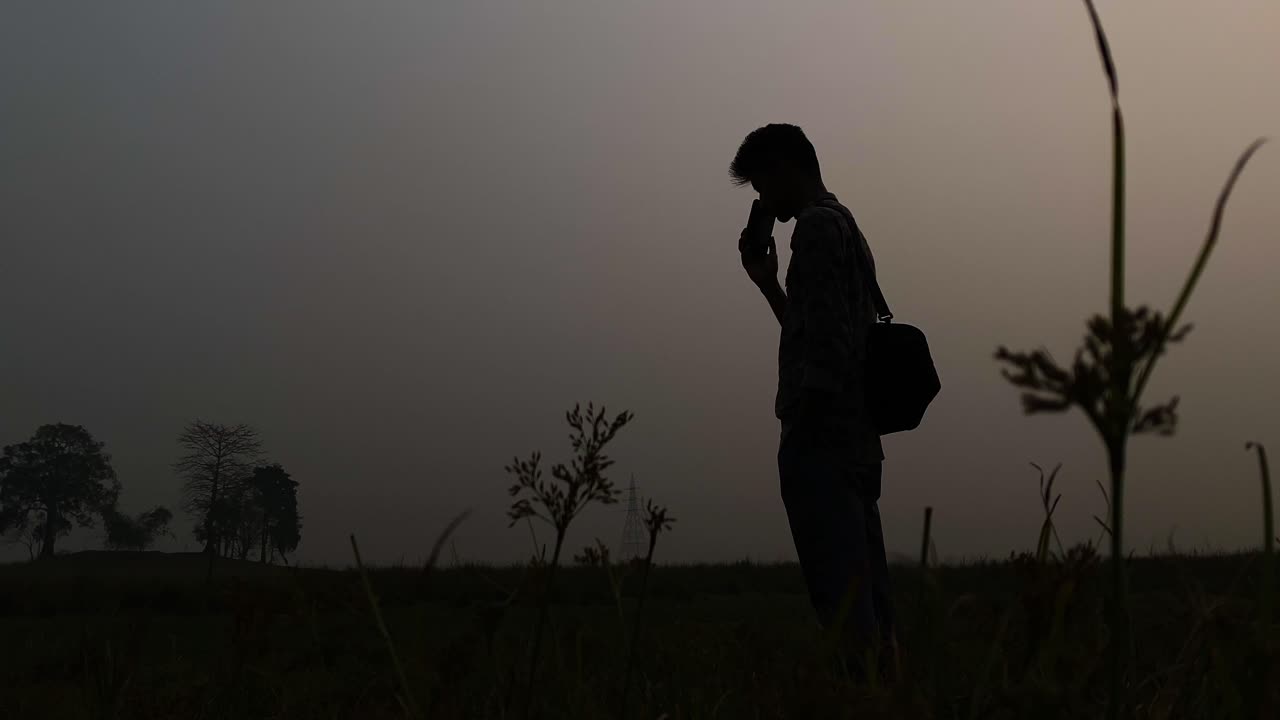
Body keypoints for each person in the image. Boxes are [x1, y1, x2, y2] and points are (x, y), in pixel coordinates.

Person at [730, 123, 896, 675]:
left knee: (843, 605)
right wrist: (767, 283)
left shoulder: (817, 229)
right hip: (855, 440)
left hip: (824, 443)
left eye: (761, 184)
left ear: (787, 168)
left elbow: (827, 351)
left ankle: (863, 698)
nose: (762, 199)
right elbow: (819, 332)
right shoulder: (844, 224)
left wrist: (801, 438)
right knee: (869, 600)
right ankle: (887, 694)